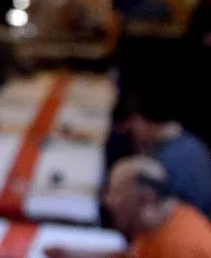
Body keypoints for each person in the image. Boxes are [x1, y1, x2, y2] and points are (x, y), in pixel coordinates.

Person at [45, 156, 211, 258]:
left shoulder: (180, 249)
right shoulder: (160, 220)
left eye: (116, 193)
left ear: (146, 199)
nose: (107, 201)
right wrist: (75, 254)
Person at [127, 93, 211, 216]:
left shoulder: (164, 164)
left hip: (183, 226)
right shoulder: (193, 143)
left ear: (143, 121)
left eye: (134, 120)